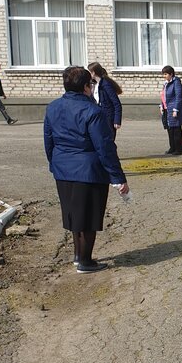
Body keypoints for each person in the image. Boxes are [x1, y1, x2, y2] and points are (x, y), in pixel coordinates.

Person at [44, 66, 129, 273]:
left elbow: (48, 140)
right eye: (90, 84)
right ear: (86, 87)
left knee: (74, 214)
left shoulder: (53, 107)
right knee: (89, 218)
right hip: (88, 171)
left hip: (63, 169)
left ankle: (77, 255)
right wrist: (118, 177)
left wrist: (54, 164)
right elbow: (105, 147)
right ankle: (86, 261)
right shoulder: (93, 111)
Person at [88, 62, 123, 139]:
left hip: (108, 118)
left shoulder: (105, 85)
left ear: (93, 72)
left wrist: (117, 120)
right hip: (99, 117)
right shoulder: (94, 85)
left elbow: (116, 103)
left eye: (89, 72)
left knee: (108, 140)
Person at [160, 65, 182, 155]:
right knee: (169, 129)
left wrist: (176, 109)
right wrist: (161, 105)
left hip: (174, 108)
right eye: (163, 74)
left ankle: (179, 149)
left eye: (166, 74)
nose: (164, 76)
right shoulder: (166, 83)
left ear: (171, 74)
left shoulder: (176, 82)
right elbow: (163, 95)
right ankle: (172, 147)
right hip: (167, 108)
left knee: (176, 129)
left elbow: (178, 96)